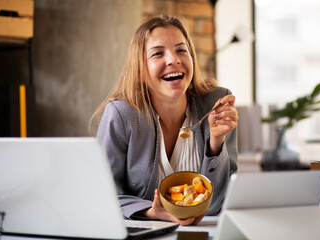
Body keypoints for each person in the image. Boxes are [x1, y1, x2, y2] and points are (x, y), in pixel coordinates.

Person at [90, 15, 239, 226]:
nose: (173, 59)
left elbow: (218, 204)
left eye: (181, 50)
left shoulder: (216, 104)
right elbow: (100, 194)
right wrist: (151, 212)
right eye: (158, 53)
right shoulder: (121, 114)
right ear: (140, 68)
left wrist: (215, 142)